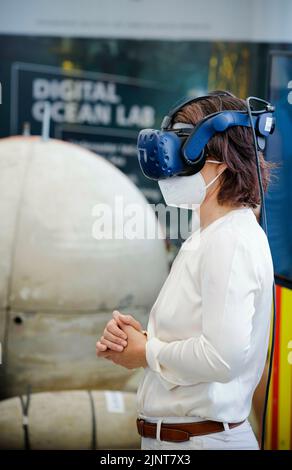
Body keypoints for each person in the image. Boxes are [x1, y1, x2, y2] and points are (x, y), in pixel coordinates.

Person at [96, 92, 274, 450]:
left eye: (181, 144)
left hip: (202, 441)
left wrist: (146, 352)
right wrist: (140, 341)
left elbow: (222, 358)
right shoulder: (208, 236)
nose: (170, 160)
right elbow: (205, 337)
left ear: (220, 159)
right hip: (182, 442)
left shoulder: (231, 241)